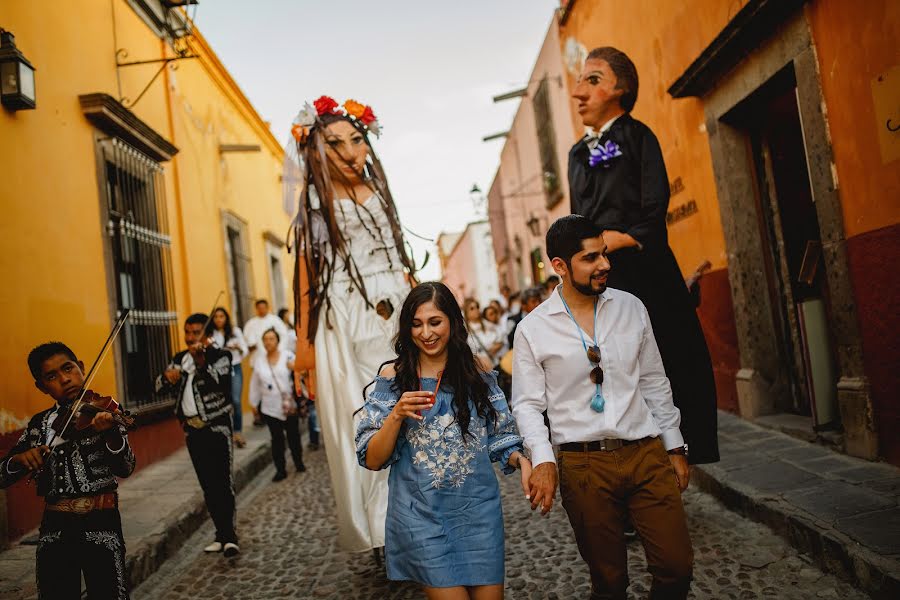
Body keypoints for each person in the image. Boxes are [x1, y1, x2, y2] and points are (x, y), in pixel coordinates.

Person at [512, 215, 693, 600]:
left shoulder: (631, 307)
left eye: (605, 254)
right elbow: (527, 405)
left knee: (676, 569)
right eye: (591, 258)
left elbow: (654, 381)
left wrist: (674, 446)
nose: (605, 265)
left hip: (646, 454)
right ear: (560, 266)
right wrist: (543, 459)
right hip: (584, 467)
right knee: (609, 584)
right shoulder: (532, 328)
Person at [568, 46, 719, 464]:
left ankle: (674, 460)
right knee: (610, 375)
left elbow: (655, 209)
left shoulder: (639, 137)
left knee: (664, 365)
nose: (578, 91)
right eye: (580, 81)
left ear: (622, 88)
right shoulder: (576, 154)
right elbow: (577, 218)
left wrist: (621, 239)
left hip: (646, 276)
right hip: (600, 284)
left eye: (592, 79)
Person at [290, 96, 417, 554]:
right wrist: (305, 346)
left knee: (416, 407)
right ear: (317, 151)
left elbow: (398, 258)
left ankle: (419, 511)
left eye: (356, 140)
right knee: (367, 413)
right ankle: (384, 528)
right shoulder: (315, 202)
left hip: (396, 312)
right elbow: (308, 271)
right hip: (346, 316)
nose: (349, 152)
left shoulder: (380, 193)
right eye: (335, 143)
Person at [356, 282, 530, 599]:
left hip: (478, 514)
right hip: (422, 518)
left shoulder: (478, 372)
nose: (426, 333)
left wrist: (523, 461)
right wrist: (396, 415)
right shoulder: (393, 378)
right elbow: (372, 458)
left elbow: (502, 436)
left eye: (435, 322)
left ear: (452, 321)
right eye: (416, 324)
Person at [0, 342, 135, 599]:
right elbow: (2, 476)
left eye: (68, 368)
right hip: (55, 526)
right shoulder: (39, 425)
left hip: (101, 521)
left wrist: (111, 433)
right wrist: (19, 460)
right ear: (41, 386)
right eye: (52, 376)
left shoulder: (103, 412)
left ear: (82, 368)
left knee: (110, 593)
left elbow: (126, 467)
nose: (64, 379)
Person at [156, 313, 239, 557]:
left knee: (223, 483)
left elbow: (219, 383)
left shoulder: (222, 355)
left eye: (196, 333)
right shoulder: (180, 358)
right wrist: (166, 377)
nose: (190, 337)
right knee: (208, 486)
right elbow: (159, 386)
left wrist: (201, 361)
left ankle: (230, 536)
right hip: (192, 430)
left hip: (217, 428)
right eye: (188, 332)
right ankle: (219, 534)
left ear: (208, 335)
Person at [250, 328, 306, 481]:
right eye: (266, 339)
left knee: (294, 436)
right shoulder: (259, 361)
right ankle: (280, 469)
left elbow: (302, 371)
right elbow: (255, 384)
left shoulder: (287, 356)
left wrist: (295, 367)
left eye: (271, 339)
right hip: (270, 406)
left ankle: (298, 462)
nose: (268, 342)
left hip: (289, 405)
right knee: (276, 439)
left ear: (277, 340)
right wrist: (253, 403)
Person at [208, 307, 249, 448]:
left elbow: (245, 350)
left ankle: (238, 431)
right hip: (218, 371)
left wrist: (237, 348)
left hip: (235, 367)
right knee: (223, 402)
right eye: (216, 316)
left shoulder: (235, 331)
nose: (219, 319)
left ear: (226, 318)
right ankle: (227, 434)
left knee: (236, 400)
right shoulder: (210, 334)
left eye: (222, 316)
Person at [463, 298, 504, 369]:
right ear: (466, 312)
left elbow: (501, 337)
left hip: (495, 364)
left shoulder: (487, 324)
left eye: (477, 307)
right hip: (480, 369)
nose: (476, 310)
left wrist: (497, 346)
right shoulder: (465, 330)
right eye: (472, 308)